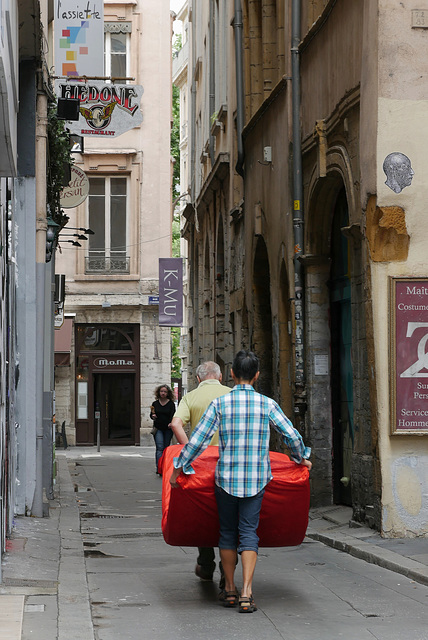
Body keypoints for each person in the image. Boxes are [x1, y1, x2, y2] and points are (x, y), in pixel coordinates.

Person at [170, 350, 312, 613]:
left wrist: (179, 468)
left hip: (225, 479)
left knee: (226, 533)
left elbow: (198, 441)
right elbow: (291, 434)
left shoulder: (220, 405)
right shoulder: (266, 404)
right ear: (256, 376)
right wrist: (301, 457)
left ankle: (231, 590)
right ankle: (247, 593)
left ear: (232, 374)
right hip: (257, 479)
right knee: (248, 533)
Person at [169, 361, 231, 585]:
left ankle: (206, 563)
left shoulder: (191, 397)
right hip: (229, 464)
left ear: (197, 379)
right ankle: (228, 573)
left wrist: (190, 451)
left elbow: (176, 424)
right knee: (228, 518)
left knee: (204, 515)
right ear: (221, 377)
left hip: (201, 466)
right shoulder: (231, 395)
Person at [150, 384, 176, 474]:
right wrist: (152, 416)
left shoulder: (171, 404)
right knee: (159, 448)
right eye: (161, 391)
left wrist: (171, 422)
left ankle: (165, 466)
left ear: (168, 393)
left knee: (166, 448)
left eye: (165, 391)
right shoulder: (155, 404)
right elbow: (151, 414)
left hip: (168, 429)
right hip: (158, 428)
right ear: (159, 392)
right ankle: (159, 468)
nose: (163, 393)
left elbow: (173, 415)